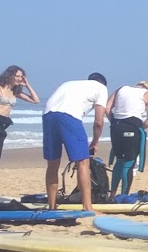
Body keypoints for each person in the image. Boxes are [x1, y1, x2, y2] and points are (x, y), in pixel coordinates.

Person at [42, 73, 110, 211]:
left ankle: (52, 206)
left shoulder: (69, 83)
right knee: (83, 162)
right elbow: (99, 122)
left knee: (53, 163)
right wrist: (95, 142)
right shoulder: (101, 88)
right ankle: (87, 207)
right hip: (69, 117)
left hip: (48, 115)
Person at [106, 79, 148, 197]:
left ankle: (112, 194)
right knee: (129, 163)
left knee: (119, 161)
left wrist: (114, 122)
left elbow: (107, 109)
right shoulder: (147, 94)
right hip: (133, 127)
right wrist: (140, 128)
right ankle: (124, 195)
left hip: (116, 128)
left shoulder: (120, 89)